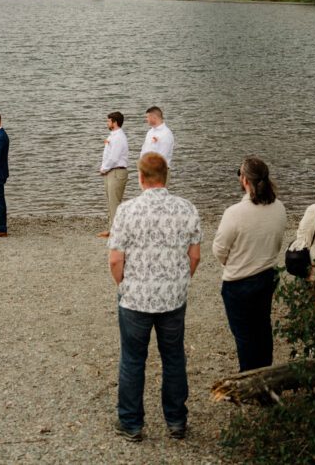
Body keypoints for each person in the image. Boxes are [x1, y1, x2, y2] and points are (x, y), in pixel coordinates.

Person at [108, 152, 201, 442]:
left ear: (140, 177)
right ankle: (176, 421)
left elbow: (115, 259)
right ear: (165, 176)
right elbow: (194, 256)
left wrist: (123, 283)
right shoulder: (187, 209)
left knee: (133, 359)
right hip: (172, 297)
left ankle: (131, 423)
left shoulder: (127, 210)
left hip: (135, 298)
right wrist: (180, 280)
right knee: (173, 358)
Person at [213, 156, 287, 372]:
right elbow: (277, 241)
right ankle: (265, 372)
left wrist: (234, 262)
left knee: (244, 335)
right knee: (262, 327)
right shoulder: (279, 207)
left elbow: (219, 249)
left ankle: (250, 378)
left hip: (239, 282)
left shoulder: (234, 213)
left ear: (244, 180)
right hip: (267, 275)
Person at [99, 111, 130, 239]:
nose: (107, 123)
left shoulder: (118, 137)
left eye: (108, 121)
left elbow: (114, 157)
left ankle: (117, 231)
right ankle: (112, 229)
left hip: (116, 171)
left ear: (114, 122)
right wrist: (104, 168)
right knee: (110, 201)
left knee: (115, 202)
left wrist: (104, 168)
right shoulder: (113, 135)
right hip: (111, 171)